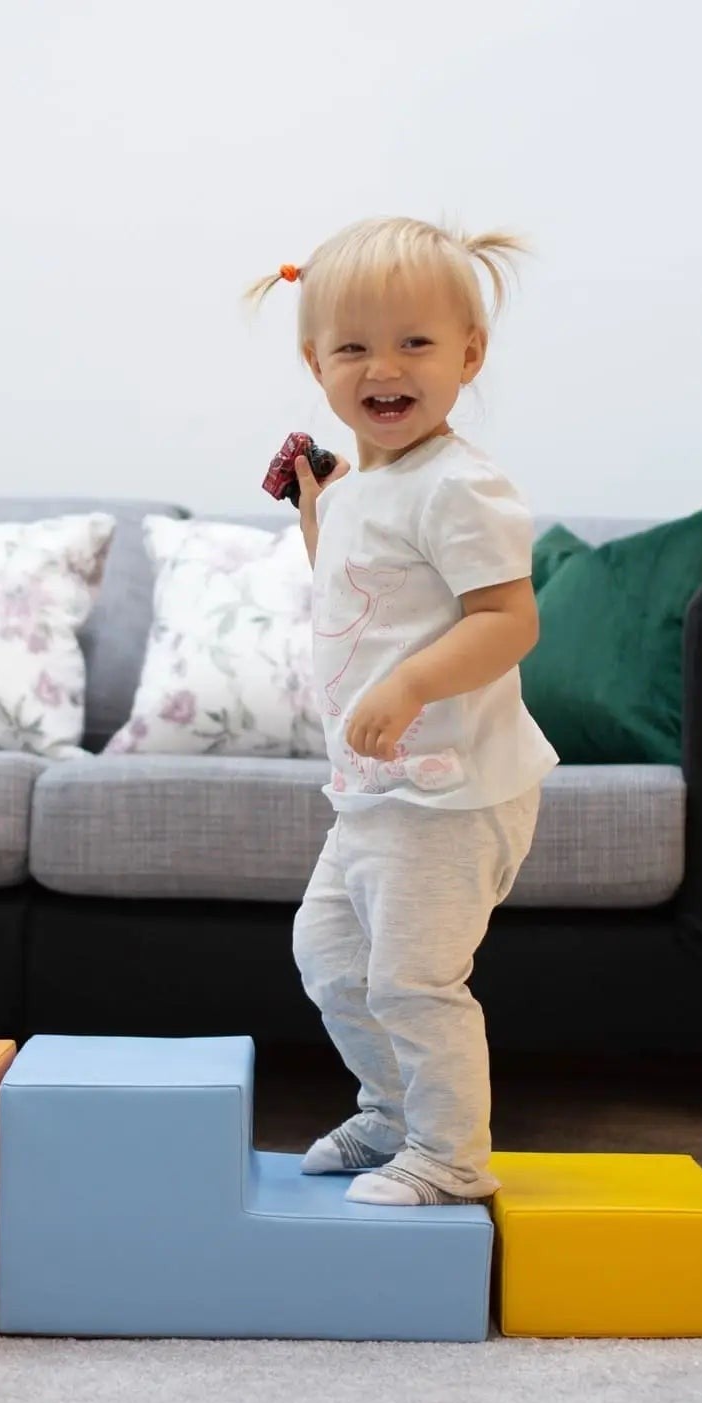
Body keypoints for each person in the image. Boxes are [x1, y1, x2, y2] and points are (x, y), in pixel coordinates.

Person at [247, 217, 558, 1205]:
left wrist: (411, 684)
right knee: (330, 959)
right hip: (375, 789)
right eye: (354, 347)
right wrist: (313, 514)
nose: (385, 367)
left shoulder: (461, 487)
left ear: (469, 354)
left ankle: (450, 1152)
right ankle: (391, 1109)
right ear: (315, 361)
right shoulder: (357, 491)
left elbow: (508, 621)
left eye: (416, 342)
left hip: (452, 792)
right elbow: (358, 597)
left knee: (413, 981)